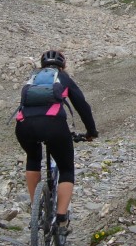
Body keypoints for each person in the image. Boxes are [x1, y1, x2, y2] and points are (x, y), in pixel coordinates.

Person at [15, 49, 97, 236]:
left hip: (24, 125)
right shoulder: (63, 78)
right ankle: (61, 219)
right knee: (66, 168)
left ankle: (36, 208)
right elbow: (82, 106)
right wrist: (91, 132)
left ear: (42, 65)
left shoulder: (33, 78)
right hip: (53, 125)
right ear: (63, 65)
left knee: (33, 159)